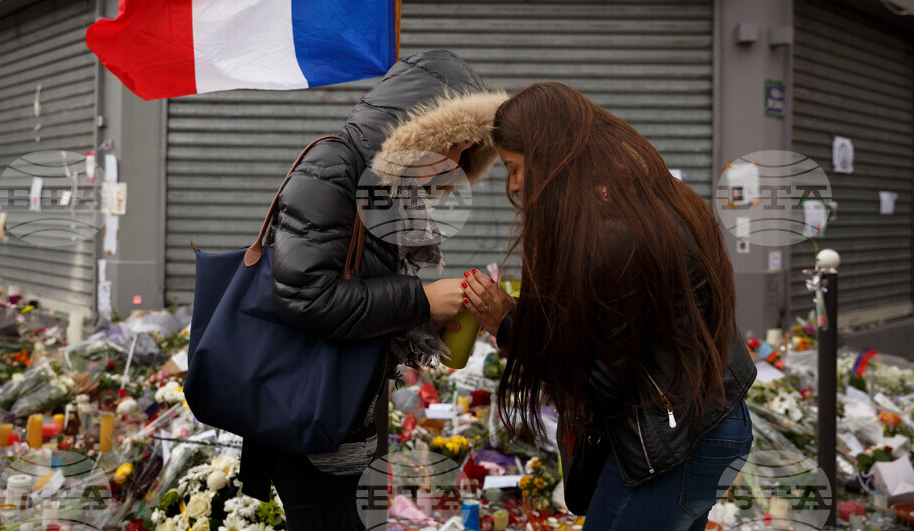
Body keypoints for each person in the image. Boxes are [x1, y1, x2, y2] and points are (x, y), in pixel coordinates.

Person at [460, 82, 757, 531]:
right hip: (712, 424)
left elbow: (599, 383)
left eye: (515, 167)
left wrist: (508, 325)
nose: (514, 185)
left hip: (672, 447)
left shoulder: (614, 236)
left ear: (551, 156)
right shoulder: (636, 197)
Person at [239, 50, 507, 530]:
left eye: (466, 154)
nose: (455, 164)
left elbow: (359, 293)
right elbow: (307, 296)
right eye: (449, 147)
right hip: (307, 413)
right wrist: (420, 299)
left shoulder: (387, 192)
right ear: (416, 131)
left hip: (342, 411)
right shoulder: (335, 165)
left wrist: (428, 317)